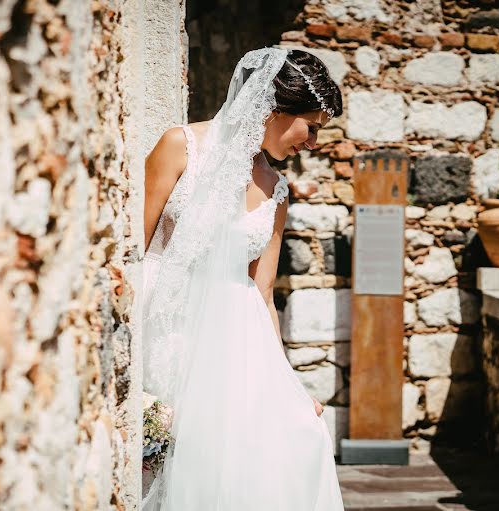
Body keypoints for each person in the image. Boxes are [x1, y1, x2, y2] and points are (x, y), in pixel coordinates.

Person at [140, 47, 345, 509]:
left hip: (238, 348)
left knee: (297, 445)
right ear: (275, 109)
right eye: (310, 126)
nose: (312, 142)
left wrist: (287, 382)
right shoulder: (179, 146)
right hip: (168, 332)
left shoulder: (276, 189)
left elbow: (264, 294)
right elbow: (135, 246)